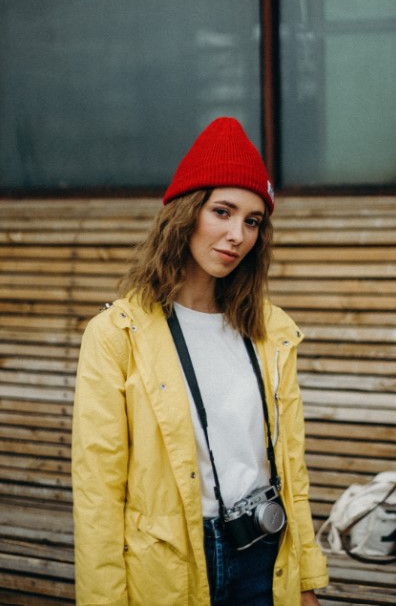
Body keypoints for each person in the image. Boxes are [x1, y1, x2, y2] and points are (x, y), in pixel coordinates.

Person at [72, 117, 328, 605]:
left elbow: (292, 469)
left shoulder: (271, 332)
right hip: (170, 568)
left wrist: (307, 579)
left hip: (267, 558)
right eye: (223, 211)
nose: (237, 235)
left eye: (252, 221)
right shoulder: (116, 336)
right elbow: (98, 496)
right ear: (186, 213)